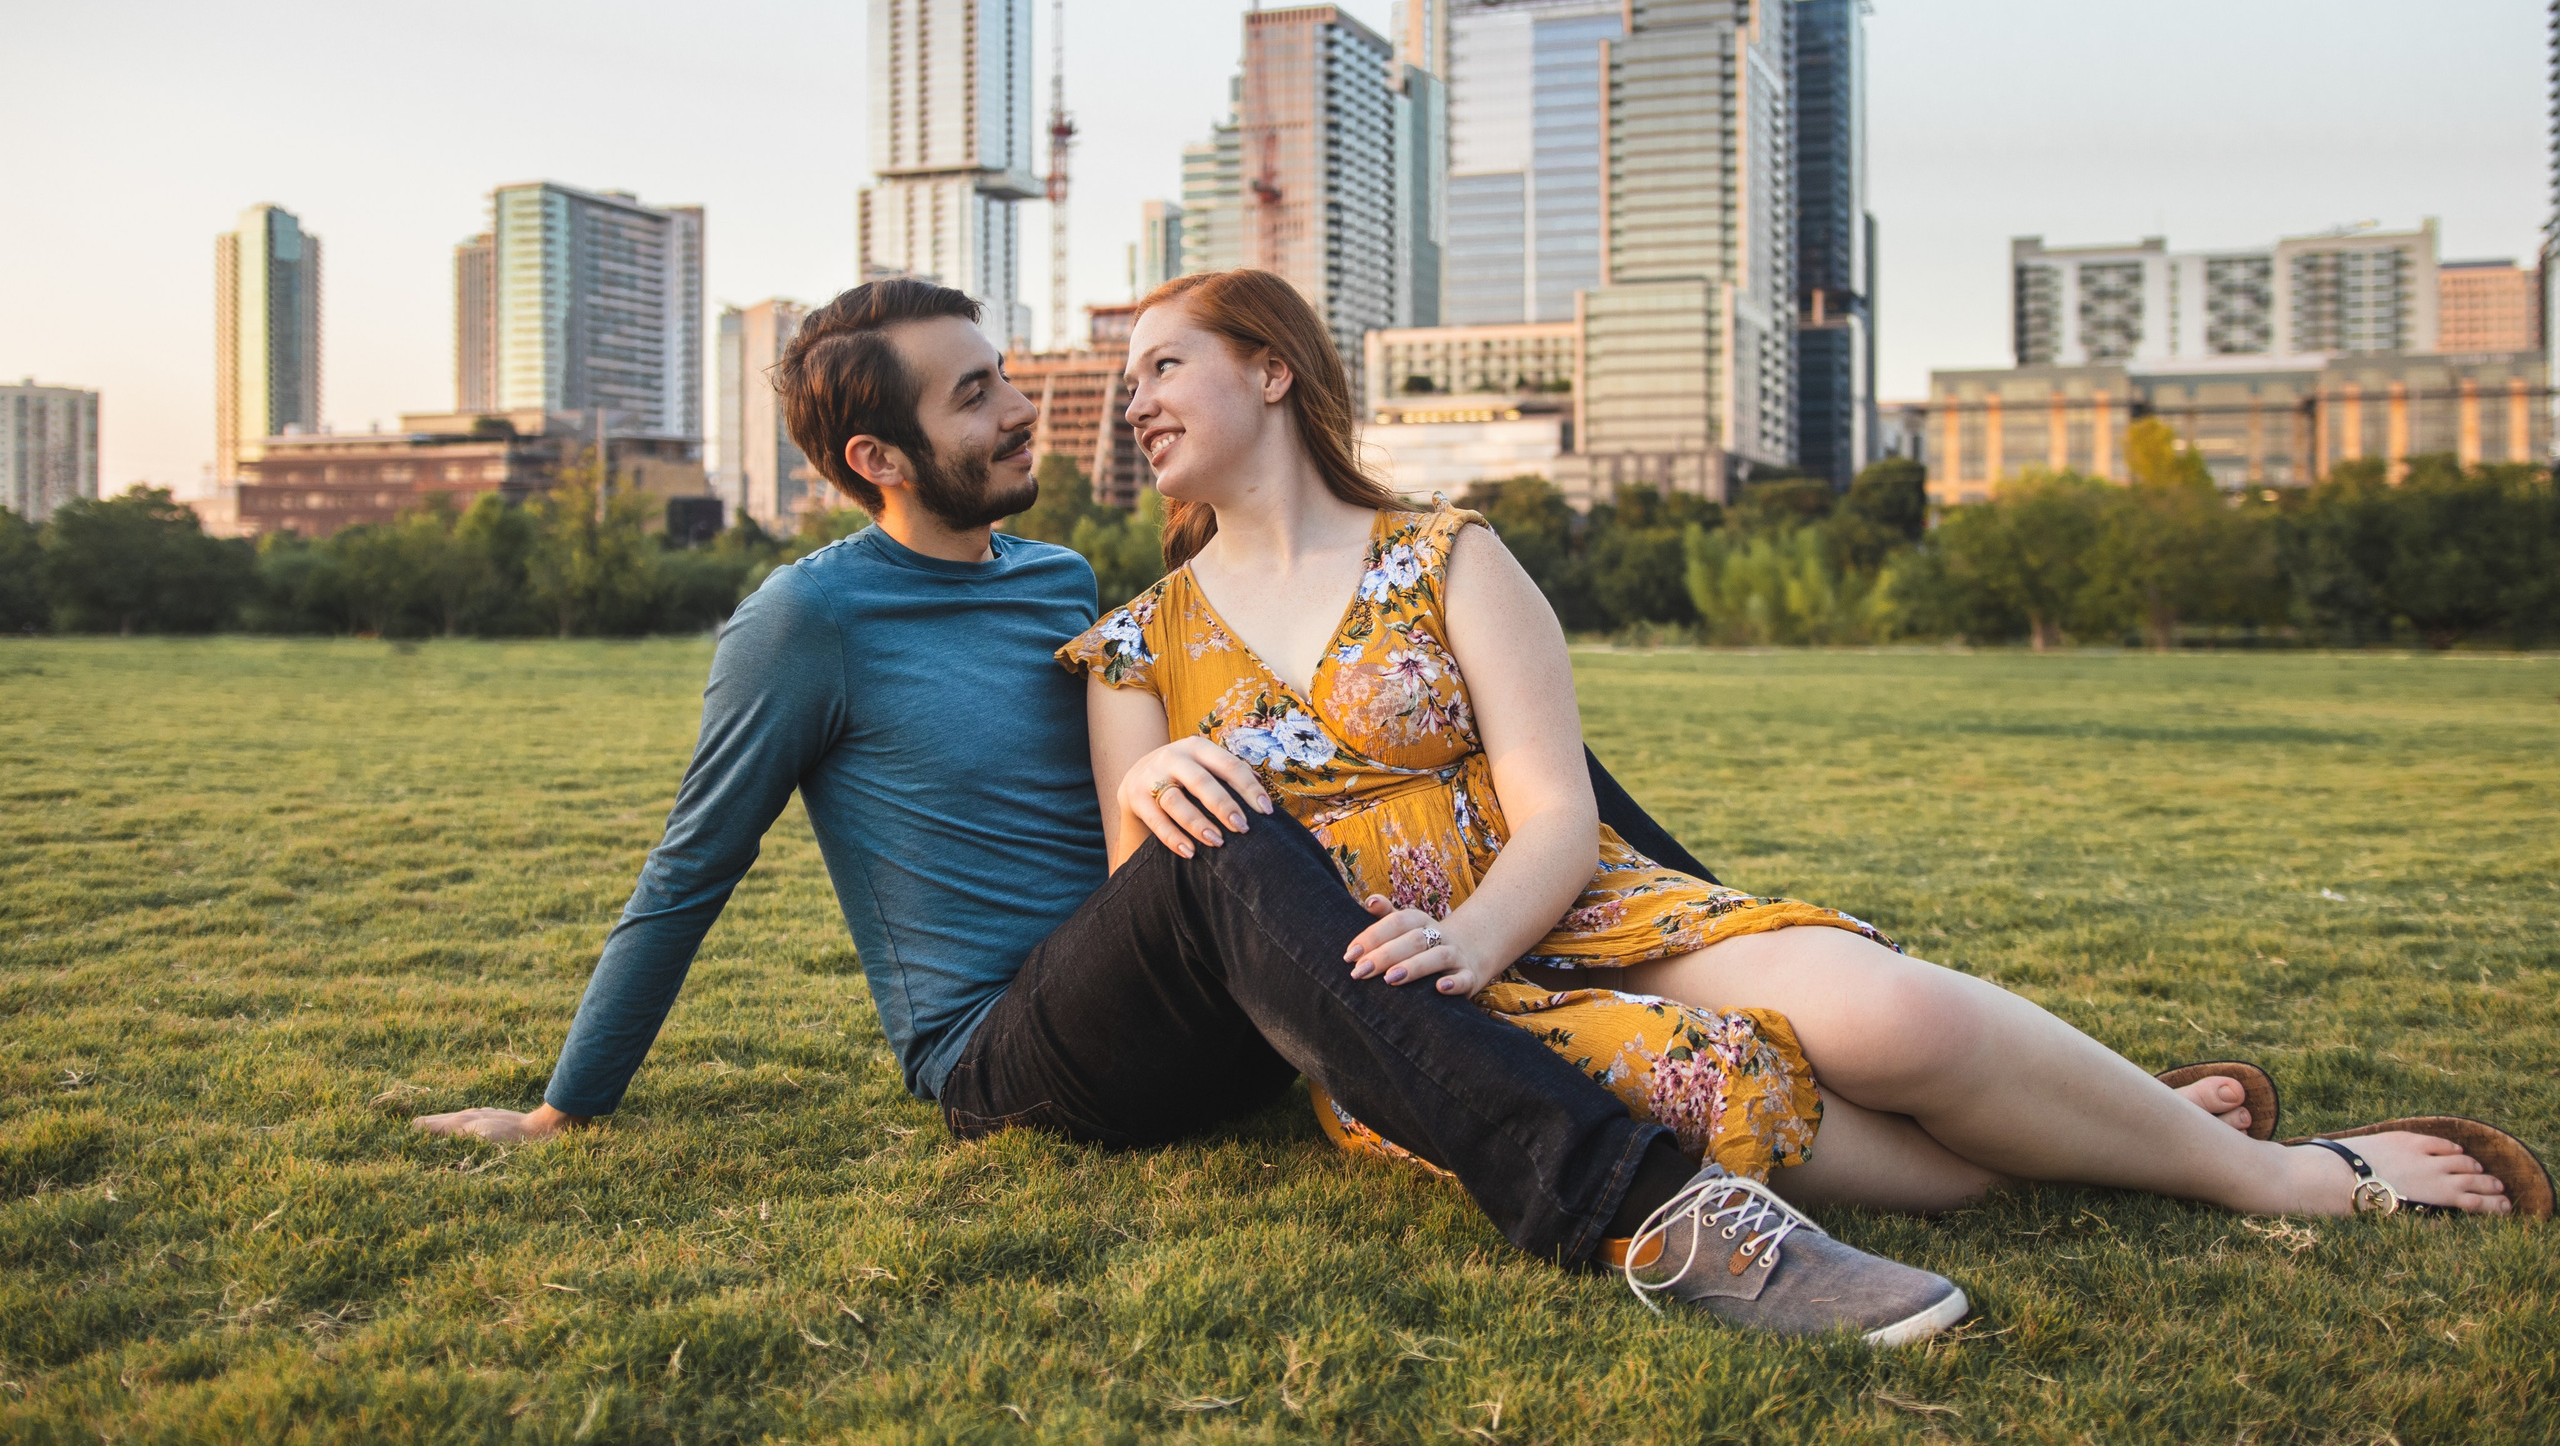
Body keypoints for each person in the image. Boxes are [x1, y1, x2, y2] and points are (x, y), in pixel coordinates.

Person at [413, 277, 1976, 1345]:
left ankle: (1744, 949)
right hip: (1016, 1052)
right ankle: (1644, 1216)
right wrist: (567, 1108)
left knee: (1481, 749)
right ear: (881, 457)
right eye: (979, 401)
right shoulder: (805, 624)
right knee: (1209, 833)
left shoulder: (1060, 583)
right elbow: (692, 867)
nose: (1029, 413)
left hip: (1223, 995)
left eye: (1011, 378)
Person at [1058, 266, 2549, 1250]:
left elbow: (1560, 808)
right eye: (1126, 383)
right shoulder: (1135, 646)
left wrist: (1479, 933)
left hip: (1561, 903)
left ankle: (2245, 1162)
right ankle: (2176, 1141)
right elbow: (1178, 913)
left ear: (1270, 371)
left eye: (1163, 364)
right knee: (1759, 1103)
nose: (1135, 402)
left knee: (1904, 1023)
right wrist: (1142, 785)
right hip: (1398, 1010)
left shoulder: (1450, 556)